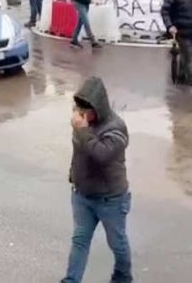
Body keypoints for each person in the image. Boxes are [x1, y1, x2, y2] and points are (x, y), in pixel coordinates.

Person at [62, 76, 131, 283]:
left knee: (117, 243)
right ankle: (71, 280)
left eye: (85, 111)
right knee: (80, 240)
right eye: (78, 109)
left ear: (97, 107)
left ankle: (122, 277)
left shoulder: (115, 128)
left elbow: (101, 156)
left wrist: (82, 130)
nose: (80, 114)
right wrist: (74, 177)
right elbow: (79, 154)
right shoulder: (83, 124)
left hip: (110, 199)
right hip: (83, 195)